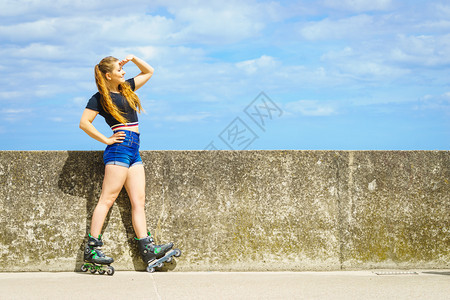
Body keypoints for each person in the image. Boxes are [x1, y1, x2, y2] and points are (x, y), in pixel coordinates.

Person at [79, 55, 173, 271]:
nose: (123, 72)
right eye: (119, 70)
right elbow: (84, 123)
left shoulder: (127, 88)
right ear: (107, 75)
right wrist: (106, 139)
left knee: (138, 200)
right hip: (119, 148)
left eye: (123, 70)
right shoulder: (99, 98)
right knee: (107, 199)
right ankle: (92, 249)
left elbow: (149, 71)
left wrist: (133, 58)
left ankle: (148, 249)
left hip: (134, 149)